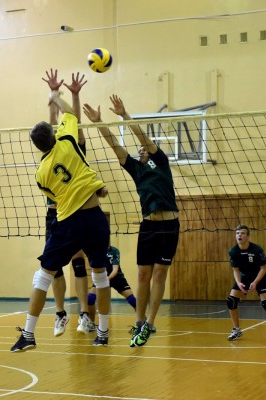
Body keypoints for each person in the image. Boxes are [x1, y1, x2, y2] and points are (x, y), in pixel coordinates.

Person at [10, 69, 111, 352]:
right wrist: (59, 95)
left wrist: (52, 95)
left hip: (68, 222)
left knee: (44, 275)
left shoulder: (40, 174)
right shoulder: (67, 140)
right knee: (99, 275)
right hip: (95, 218)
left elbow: (54, 199)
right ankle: (102, 332)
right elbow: (70, 115)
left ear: (37, 145)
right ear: (54, 135)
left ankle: (29, 334)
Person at [83, 94, 180, 347]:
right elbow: (114, 144)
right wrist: (99, 122)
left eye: (146, 148)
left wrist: (124, 115)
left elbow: (142, 137)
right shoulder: (136, 170)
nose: (142, 149)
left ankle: (150, 322)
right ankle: (139, 321)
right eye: (140, 150)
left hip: (169, 224)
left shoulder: (162, 163)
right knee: (142, 274)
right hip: (148, 225)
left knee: (160, 274)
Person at [44, 70, 93, 337]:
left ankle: (84, 314)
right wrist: (54, 94)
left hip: (74, 212)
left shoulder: (76, 146)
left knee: (78, 263)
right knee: (53, 267)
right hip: (54, 213)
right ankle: (61, 313)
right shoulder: (51, 152)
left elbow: (76, 122)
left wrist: (73, 96)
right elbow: (53, 122)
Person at [226, 225, 266, 343]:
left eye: (242, 233)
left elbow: (263, 268)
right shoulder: (233, 251)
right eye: (237, 233)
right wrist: (239, 283)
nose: (239, 235)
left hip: (259, 277)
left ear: (248, 236)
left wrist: (255, 283)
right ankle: (236, 329)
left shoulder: (257, 250)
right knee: (231, 301)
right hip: (244, 277)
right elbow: (235, 270)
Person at [87, 244, 137, 325]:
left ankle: (142, 321)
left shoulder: (114, 251)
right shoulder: (97, 251)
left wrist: (106, 279)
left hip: (117, 278)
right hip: (102, 277)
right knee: (90, 299)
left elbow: (115, 269)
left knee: (132, 300)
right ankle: (91, 323)